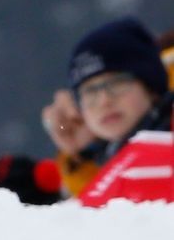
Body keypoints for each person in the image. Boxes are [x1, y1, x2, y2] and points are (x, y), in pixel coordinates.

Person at [40, 16, 173, 207]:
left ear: (150, 87)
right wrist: (82, 156)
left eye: (117, 83)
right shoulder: (107, 153)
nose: (104, 101)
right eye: (90, 92)